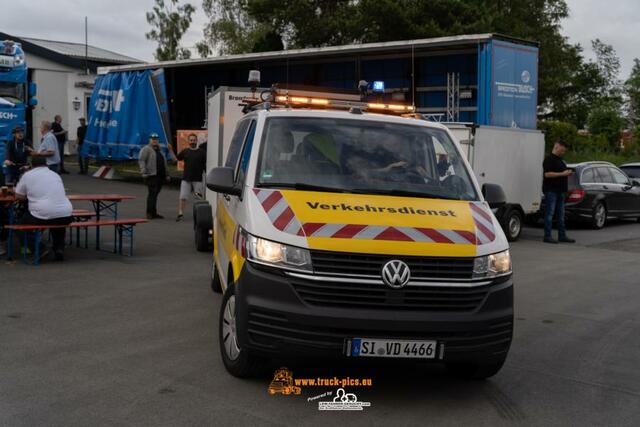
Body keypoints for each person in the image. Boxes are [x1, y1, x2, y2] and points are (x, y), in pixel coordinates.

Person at [15, 156, 73, 261]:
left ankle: (41, 248)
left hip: (43, 213)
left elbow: (19, 196)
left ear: (31, 165)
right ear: (46, 164)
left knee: (19, 226)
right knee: (58, 222)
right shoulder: (55, 175)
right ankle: (59, 248)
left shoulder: (27, 175)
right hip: (66, 213)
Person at [542, 140, 575, 244]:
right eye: (562, 150)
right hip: (551, 191)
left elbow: (562, 173)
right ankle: (547, 236)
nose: (563, 153)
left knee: (561, 215)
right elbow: (547, 174)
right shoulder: (549, 159)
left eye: (564, 151)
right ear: (556, 147)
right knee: (550, 214)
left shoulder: (560, 160)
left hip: (561, 191)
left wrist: (568, 173)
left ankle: (562, 236)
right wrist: (563, 174)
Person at [139, 133, 170, 219]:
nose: (154, 140)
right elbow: (142, 161)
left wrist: (167, 174)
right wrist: (143, 172)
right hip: (151, 175)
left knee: (155, 194)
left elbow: (165, 163)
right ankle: (149, 213)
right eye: (153, 139)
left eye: (156, 139)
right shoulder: (146, 149)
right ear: (150, 140)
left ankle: (154, 213)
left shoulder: (160, 150)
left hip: (160, 176)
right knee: (152, 194)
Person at [175, 133, 206, 221]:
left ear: (196, 141)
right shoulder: (185, 151)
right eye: (191, 140)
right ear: (188, 141)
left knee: (198, 198)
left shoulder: (202, 152)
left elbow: (206, 164)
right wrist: (170, 150)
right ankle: (180, 213)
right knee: (183, 197)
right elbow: (176, 159)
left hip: (198, 179)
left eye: (194, 140)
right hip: (186, 179)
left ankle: (198, 214)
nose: (192, 142)